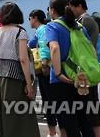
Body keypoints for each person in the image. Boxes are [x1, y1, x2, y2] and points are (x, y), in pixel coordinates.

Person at [47, 0, 94, 137]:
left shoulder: (53, 26)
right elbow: (91, 49)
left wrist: (58, 73)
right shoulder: (79, 26)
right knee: (85, 120)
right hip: (81, 77)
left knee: (69, 122)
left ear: (52, 10)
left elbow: (54, 48)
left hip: (62, 80)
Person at [0, 3, 39, 137]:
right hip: (17, 78)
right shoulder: (20, 32)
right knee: (22, 114)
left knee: (6, 115)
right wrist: (29, 84)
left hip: (1, 78)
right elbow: (23, 59)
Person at [68, 0, 100, 137]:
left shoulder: (85, 21)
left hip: (87, 68)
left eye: (71, 8)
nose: (70, 11)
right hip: (89, 66)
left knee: (91, 112)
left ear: (79, 6)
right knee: (92, 110)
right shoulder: (85, 20)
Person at [28, 9, 57, 137]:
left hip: (46, 69)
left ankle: (53, 132)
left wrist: (44, 64)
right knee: (49, 100)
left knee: (49, 101)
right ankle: (54, 131)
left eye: (30, 18)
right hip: (47, 68)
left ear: (35, 18)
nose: (29, 21)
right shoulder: (41, 30)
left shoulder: (42, 29)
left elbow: (45, 47)